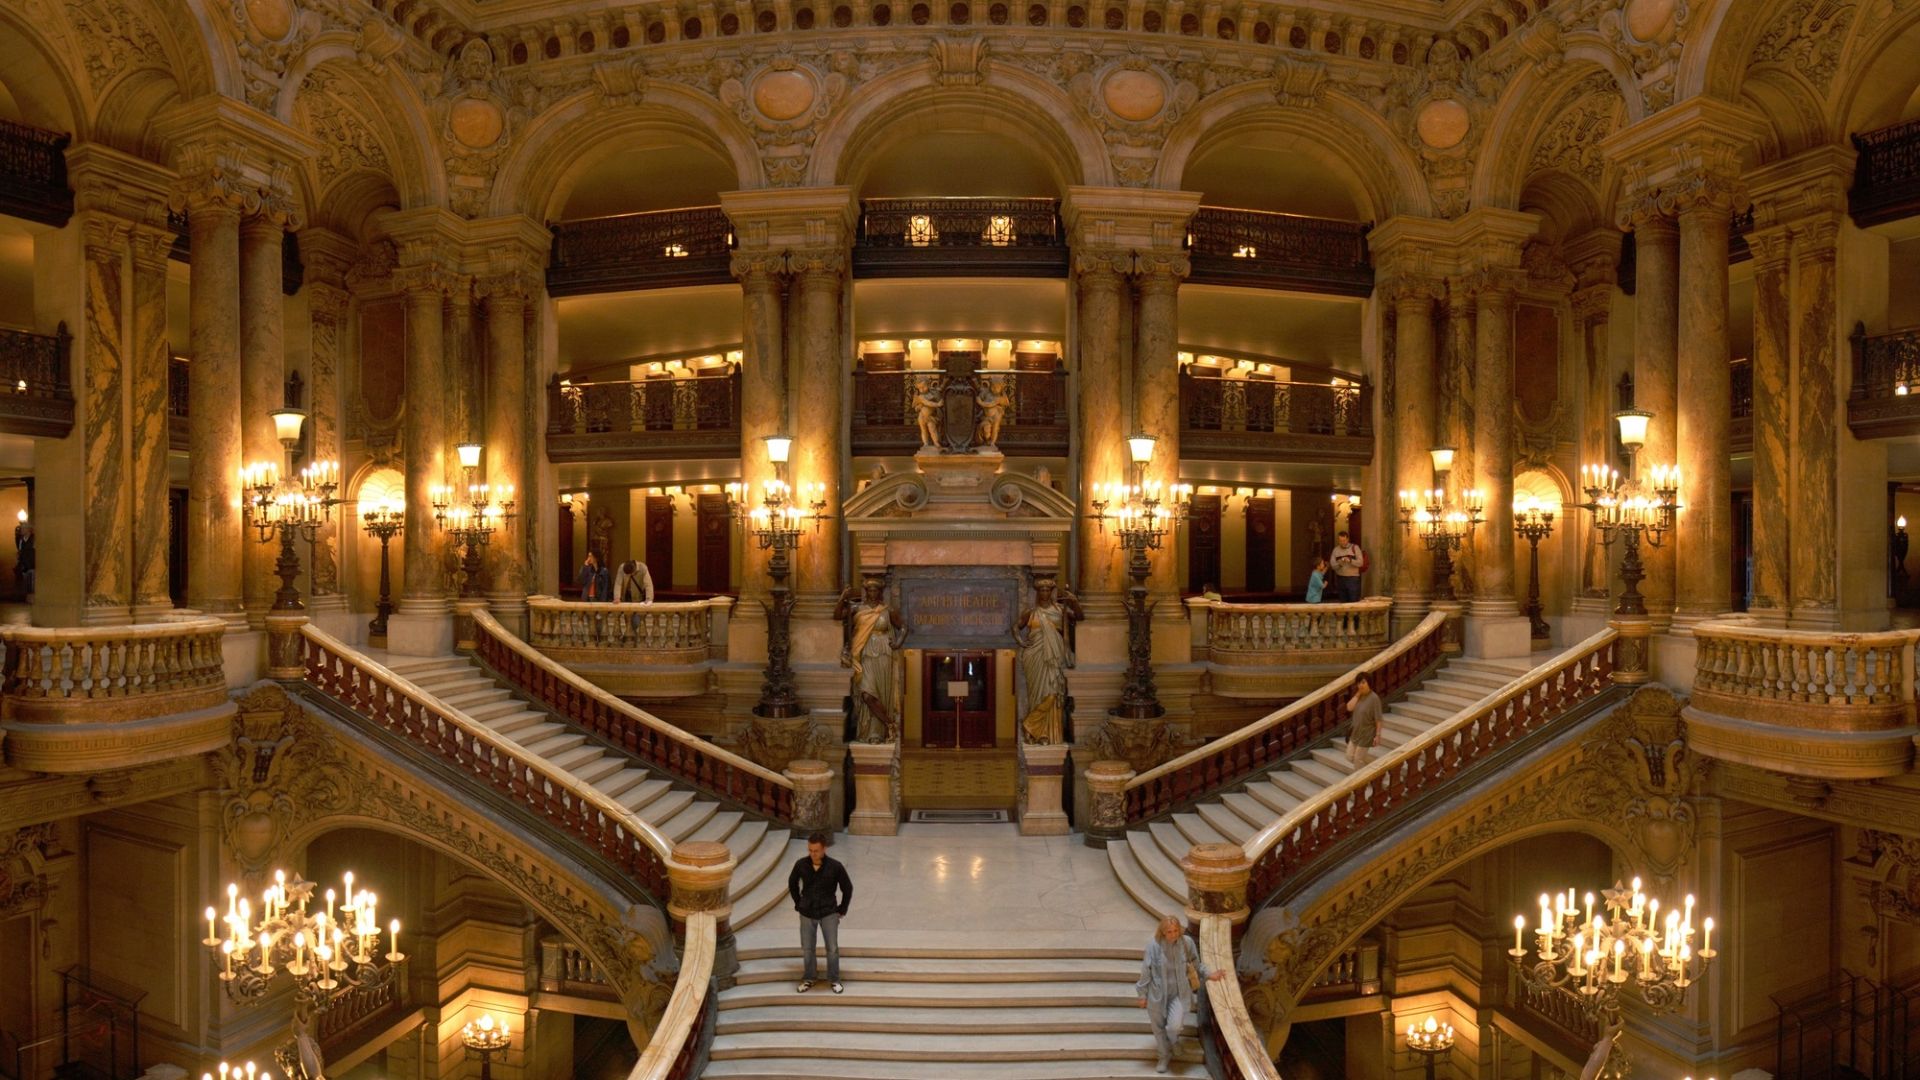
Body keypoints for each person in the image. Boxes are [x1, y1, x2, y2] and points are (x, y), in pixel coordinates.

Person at [1136, 914, 1226, 1074]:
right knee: (1158, 1028)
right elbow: (1145, 972)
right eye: (1169, 932)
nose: (1173, 935)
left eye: (1176, 930)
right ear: (1162, 932)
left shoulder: (1187, 943)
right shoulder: (1153, 946)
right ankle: (1163, 1056)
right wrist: (1142, 994)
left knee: (1174, 1026)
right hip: (1157, 995)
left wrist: (1209, 974)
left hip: (1179, 993)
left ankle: (1174, 1040)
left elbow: (1196, 964)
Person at [1014, 578, 1082, 745]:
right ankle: (1040, 733)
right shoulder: (1031, 612)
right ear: (1038, 593)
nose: (1044, 593)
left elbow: (1079, 617)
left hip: (1054, 657)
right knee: (1036, 696)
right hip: (1034, 657)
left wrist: (1074, 603)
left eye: (1047, 590)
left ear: (1051, 592)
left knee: (1052, 694)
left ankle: (1030, 725)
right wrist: (1021, 642)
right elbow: (1016, 627)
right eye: (1041, 590)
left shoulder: (1060, 610)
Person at [836, 579, 904, 743]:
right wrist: (842, 598)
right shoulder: (857, 608)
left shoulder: (887, 610)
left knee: (881, 693)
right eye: (870, 590)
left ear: (880, 592)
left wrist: (898, 642)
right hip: (864, 653)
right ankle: (890, 724)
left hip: (884, 655)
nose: (873, 593)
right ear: (866, 591)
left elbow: (903, 627)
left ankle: (877, 733)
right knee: (867, 695)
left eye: (876, 590)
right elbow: (838, 615)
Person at [787, 832, 853, 994]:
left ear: (824, 849)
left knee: (832, 948)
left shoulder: (835, 866)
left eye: (816, 850)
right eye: (810, 850)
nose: (812, 854)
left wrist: (842, 909)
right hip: (807, 912)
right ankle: (809, 977)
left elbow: (847, 887)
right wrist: (798, 903)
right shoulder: (801, 864)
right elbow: (792, 883)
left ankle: (834, 979)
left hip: (829, 912)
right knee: (808, 948)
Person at [1345, 672, 1382, 767]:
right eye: (1358, 683)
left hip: (1367, 733)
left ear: (1369, 683)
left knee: (1358, 760)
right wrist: (1358, 694)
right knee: (1349, 756)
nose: (1360, 685)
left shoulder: (1374, 698)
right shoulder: (1358, 696)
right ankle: (1373, 766)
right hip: (1355, 732)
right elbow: (1349, 707)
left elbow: (1378, 719)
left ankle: (1360, 781)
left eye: (1363, 682)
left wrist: (1377, 735)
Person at [1328, 530, 1364, 602]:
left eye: (1344, 540)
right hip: (1340, 578)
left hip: (1353, 579)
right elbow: (1333, 565)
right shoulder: (1336, 550)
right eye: (1340, 541)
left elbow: (1360, 563)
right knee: (1343, 601)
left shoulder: (1355, 548)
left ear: (1347, 539)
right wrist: (1340, 564)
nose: (1342, 542)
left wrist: (1350, 560)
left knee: (1353, 601)